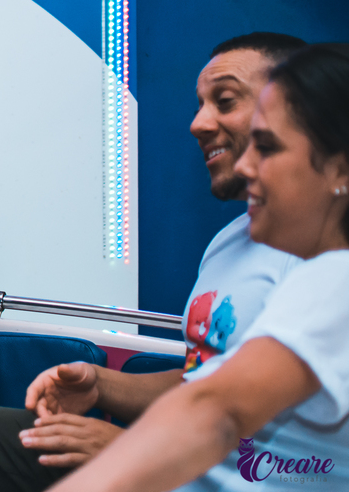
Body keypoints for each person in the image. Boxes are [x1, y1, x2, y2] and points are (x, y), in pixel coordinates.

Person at [0, 32, 306, 492]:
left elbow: (298, 454)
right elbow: (203, 382)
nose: (199, 124)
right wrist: (101, 385)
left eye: (224, 101)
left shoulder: (321, 261)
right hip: (181, 453)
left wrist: (133, 453)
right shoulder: (230, 242)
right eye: (199, 105)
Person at [46, 42, 349, 492]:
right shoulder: (246, 248)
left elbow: (214, 410)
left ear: (339, 170)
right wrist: (103, 386)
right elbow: (204, 385)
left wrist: (117, 452)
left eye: (266, 146)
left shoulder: (334, 280)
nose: (246, 166)